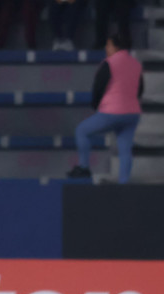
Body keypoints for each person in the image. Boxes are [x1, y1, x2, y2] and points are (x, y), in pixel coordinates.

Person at [66, 34, 143, 183]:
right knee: (125, 149)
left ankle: (84, 167)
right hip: (132, 113)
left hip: (112, 112)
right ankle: (124, 182)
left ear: (116, 47)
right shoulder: (135, 64)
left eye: (108, 45)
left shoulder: (109, 63)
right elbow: (140, 89)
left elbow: (98, 87)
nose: (106, 48)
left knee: (82, 131)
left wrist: (96, 105)